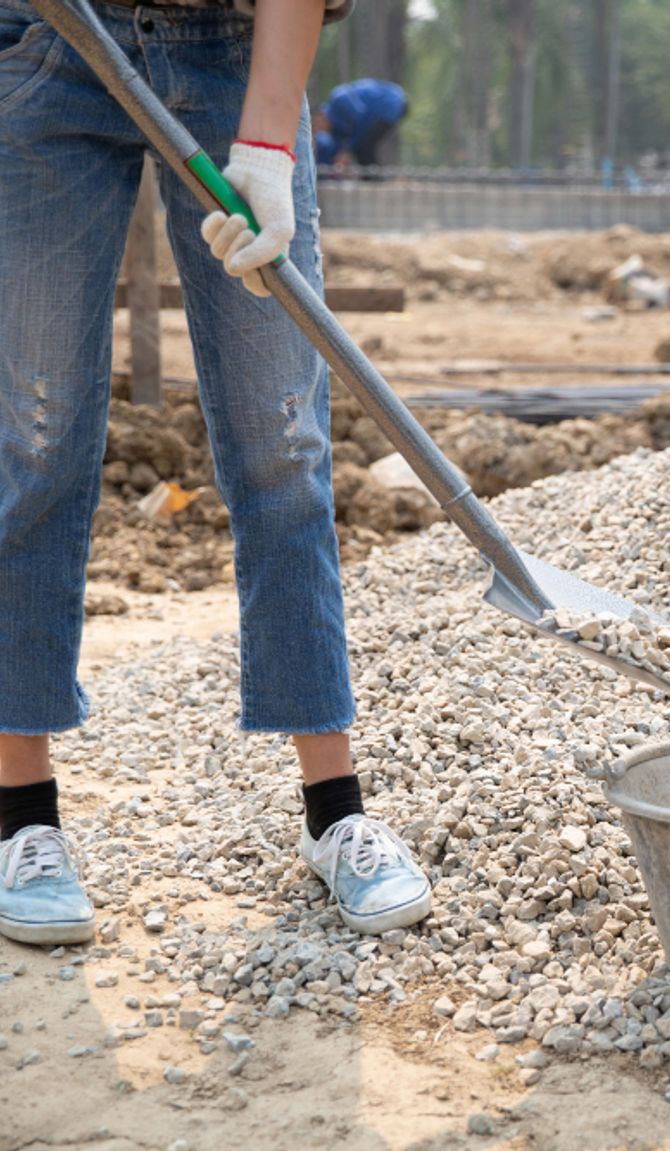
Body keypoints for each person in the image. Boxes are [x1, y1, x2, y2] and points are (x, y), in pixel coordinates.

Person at [0, 0, 431, 945]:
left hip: (234, 49)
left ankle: (335, 811)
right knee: (37, 434)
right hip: (48, 39)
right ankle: (21, 816)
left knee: (283, 439)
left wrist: (268, 149)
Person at [313, 77, 408, 170]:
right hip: (375, 116)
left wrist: (348, 150)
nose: (320, 130)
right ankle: (372, 176)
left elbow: (360, 119)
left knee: (364, 147)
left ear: (321, 115)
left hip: (392, 103)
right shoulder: (334, 129)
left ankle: (374, 178)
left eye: (317, 124)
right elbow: (337, 148)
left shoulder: (339, 100)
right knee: (360, 148)